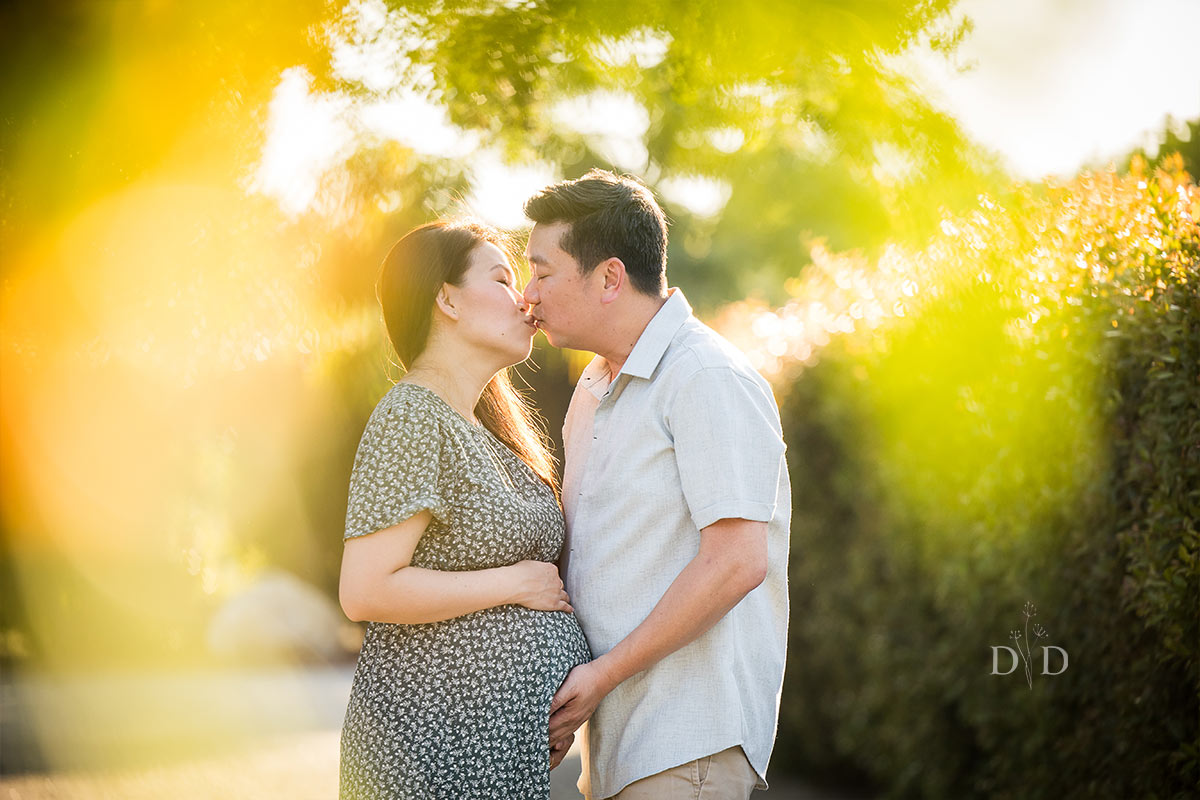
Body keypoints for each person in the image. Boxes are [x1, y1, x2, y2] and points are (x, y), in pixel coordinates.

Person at [522, 170, 791, 800]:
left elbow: (736, 562)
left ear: (610, 277)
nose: (528, 294)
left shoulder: (705, 376)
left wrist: (602, 675)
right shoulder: (592, 389)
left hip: (687, 743)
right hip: (620, 746)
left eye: (542, 271)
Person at [337, 220, 590, 799]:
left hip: (494, 752)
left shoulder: (484, 432)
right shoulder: (413, 418)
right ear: (445, 298)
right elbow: (366, 590)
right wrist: (514, 583)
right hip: (430, 752)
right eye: (503, 279)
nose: (526, 296)